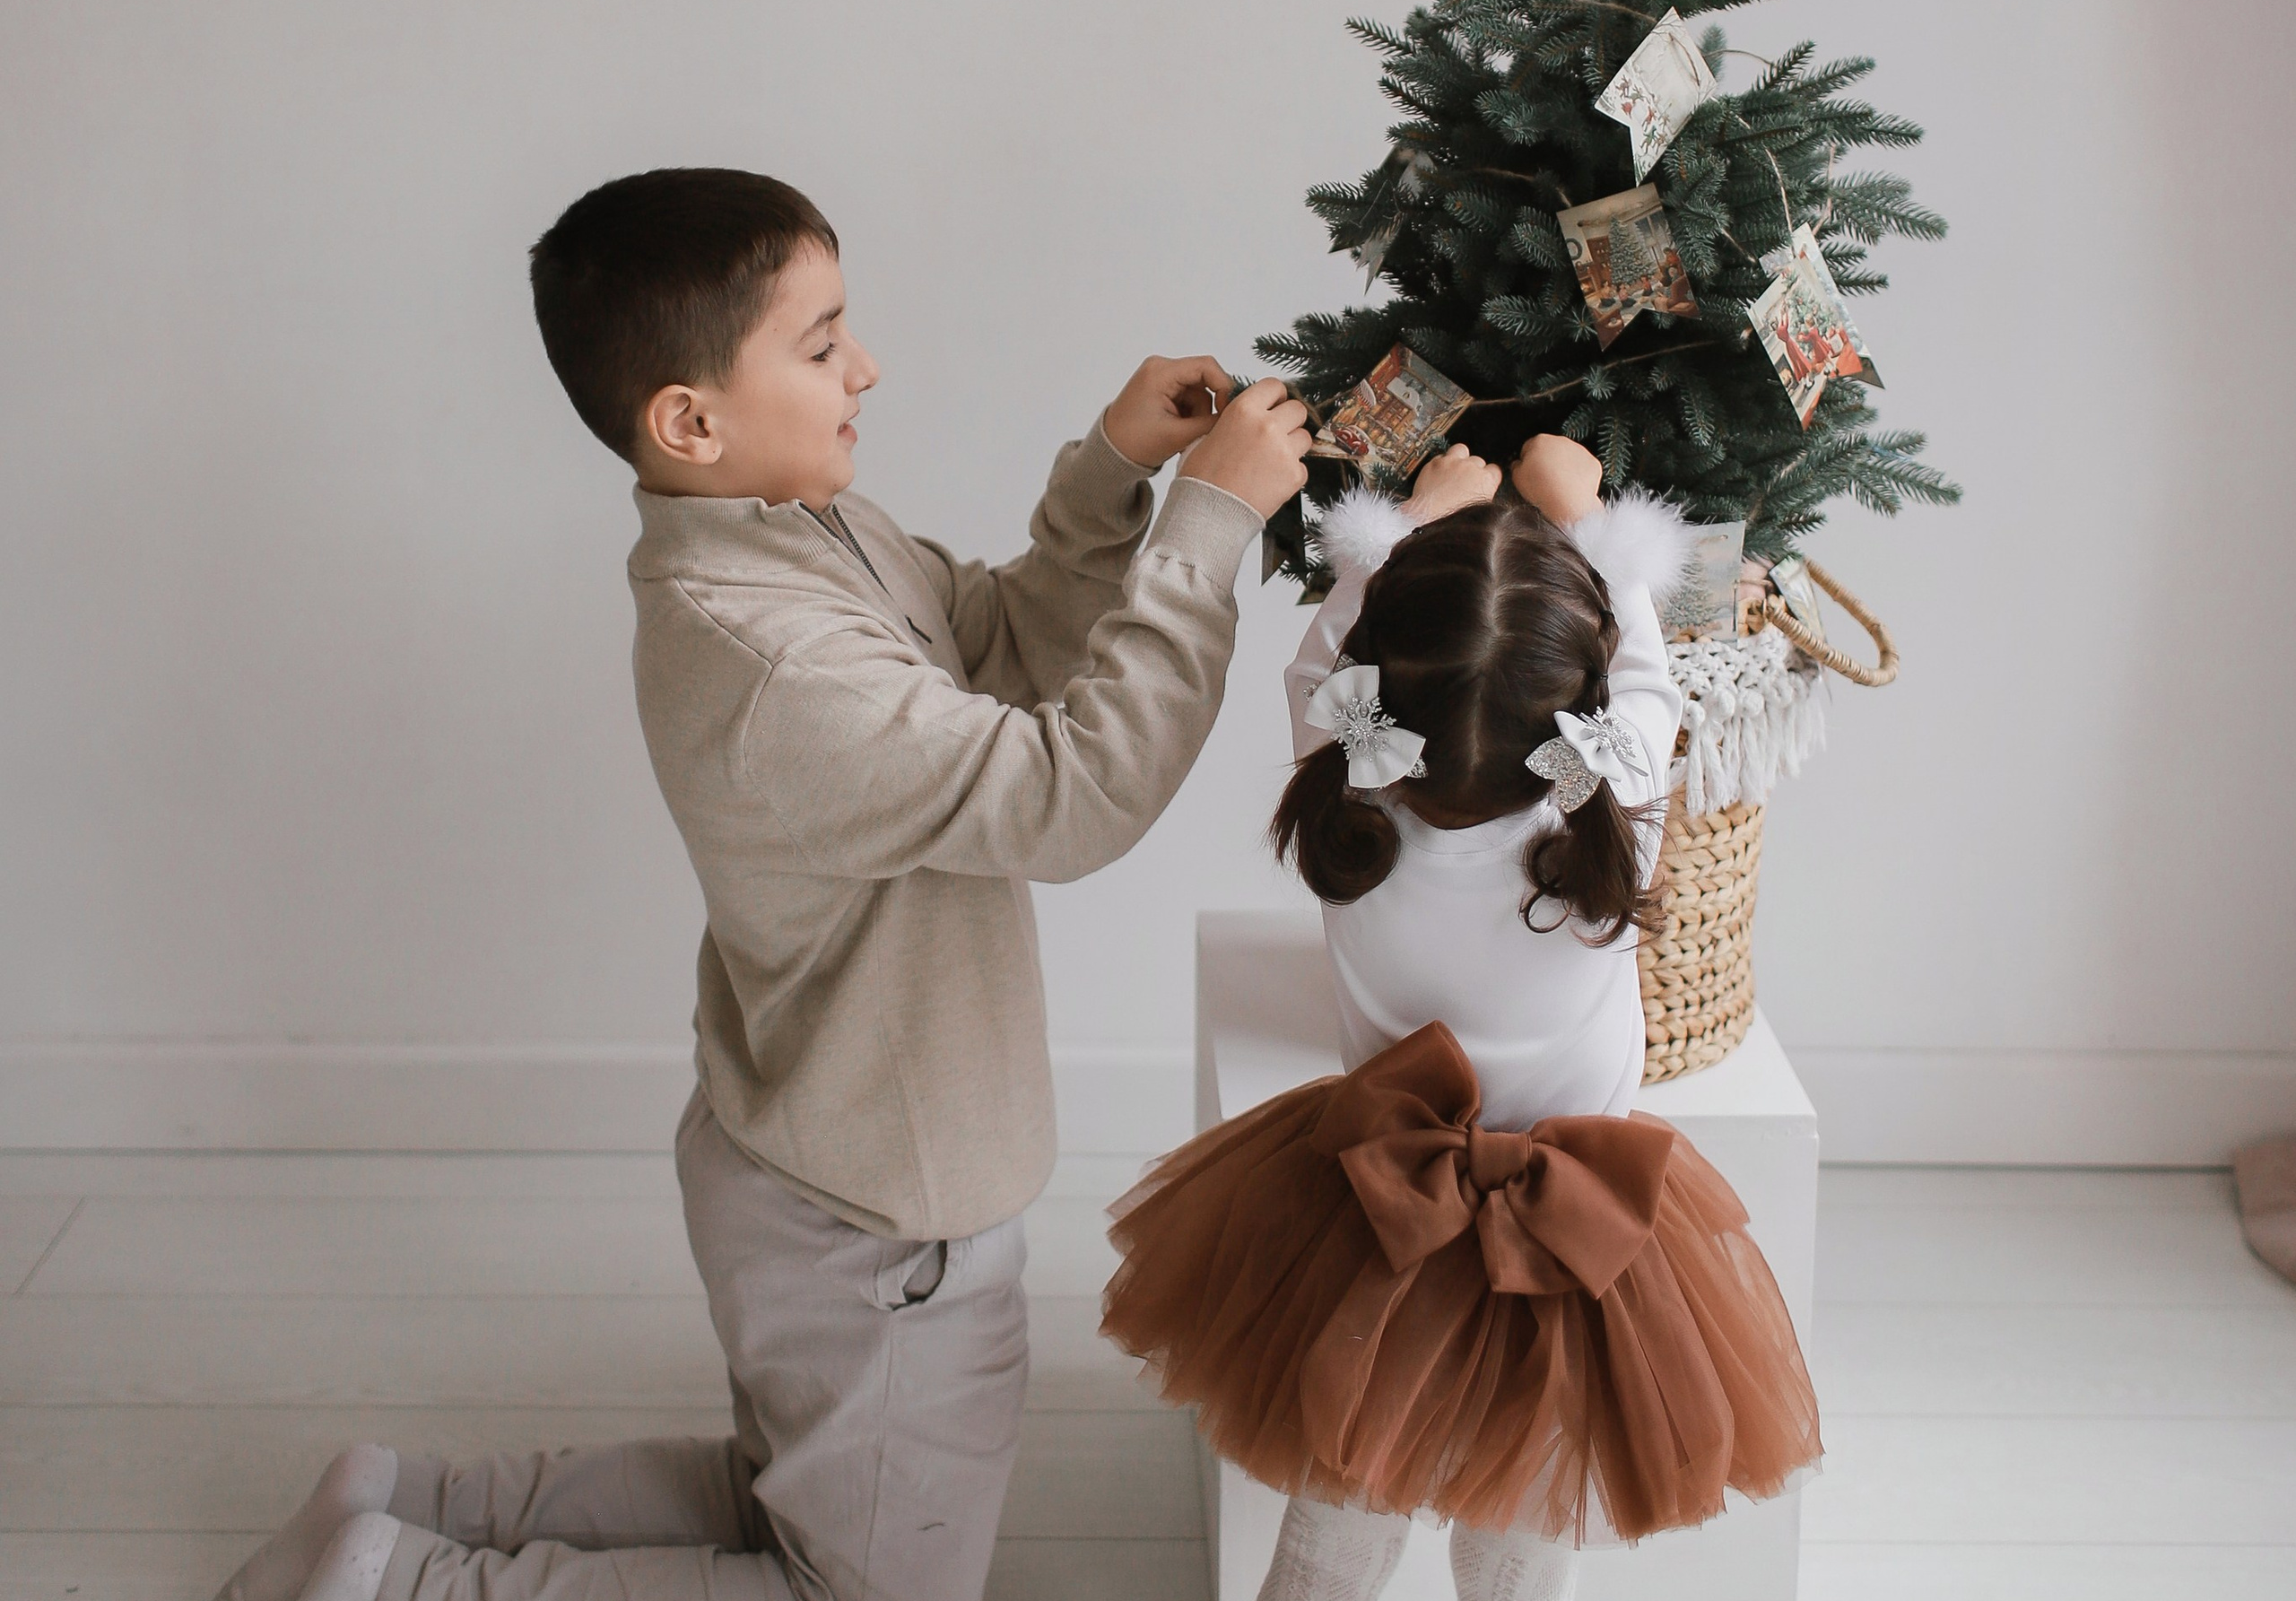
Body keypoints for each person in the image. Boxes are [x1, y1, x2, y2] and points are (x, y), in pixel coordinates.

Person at [215, 167, 1308, 1601]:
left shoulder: (792, 524)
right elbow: (1069, 794)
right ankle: (400, 1585)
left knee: (788, 1487)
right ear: (690, 420)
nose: (868, 366)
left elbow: (985, 643)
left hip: (812, 1163)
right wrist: (1204, 538)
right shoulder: (773, 660)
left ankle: (402, 1506)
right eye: (821, 342)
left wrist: (1111, 476)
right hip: (873, 1223)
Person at [1099, 435, 1822, 1601]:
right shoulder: (1613, 799)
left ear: (1380, 689)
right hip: (1572, 1245)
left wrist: (1397, 532)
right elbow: (1647, 679)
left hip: (1375, 1223)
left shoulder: (1355, 792)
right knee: (1527, 1535)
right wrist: (1587, 522)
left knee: (1338, 1519)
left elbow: (1315, 668)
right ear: (1576, 708)